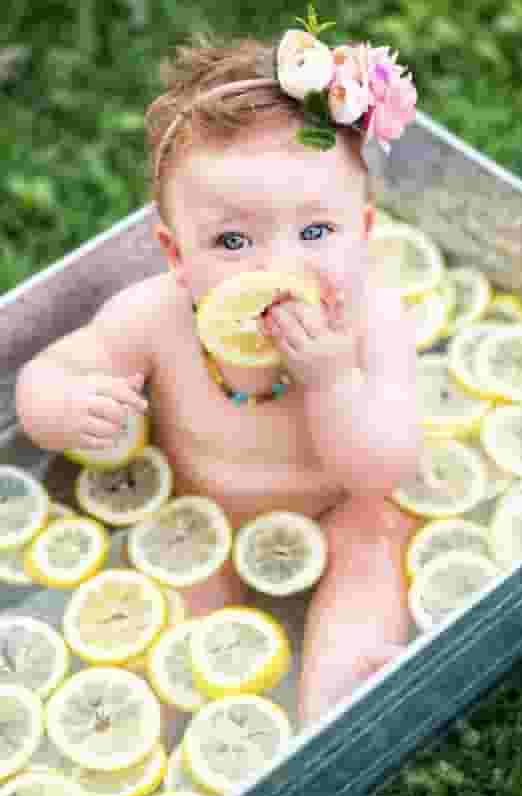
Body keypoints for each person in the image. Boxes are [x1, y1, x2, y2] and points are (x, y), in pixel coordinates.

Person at [15, 18, 421, 727]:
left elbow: (381, 467)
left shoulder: (372, 320)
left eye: (315, 231)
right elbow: (44, 378)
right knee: (179, 616)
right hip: (201, 515)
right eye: (232, 240)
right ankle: (210, 743)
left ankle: (337, 709)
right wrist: (64, 402)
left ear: (363, 231)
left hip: (339, 504)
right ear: (175, 255)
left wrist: (332, 382)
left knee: (374, 539)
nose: (275, 267)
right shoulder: (154, 316)